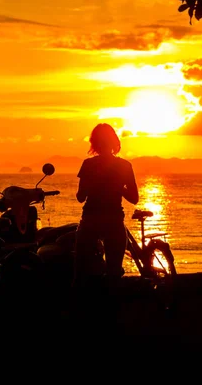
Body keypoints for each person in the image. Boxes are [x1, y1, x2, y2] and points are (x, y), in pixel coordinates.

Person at [73, 123, 139, 289]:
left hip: (91, 220)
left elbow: (80, 197)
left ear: (94, 143)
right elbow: (134, 198)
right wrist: (120, 188)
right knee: (114, 272)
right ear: (114, 142)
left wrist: (90, 186)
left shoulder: (88, 165)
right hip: (114, 220)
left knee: (81, 271)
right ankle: (112, 307)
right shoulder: (124, 165)